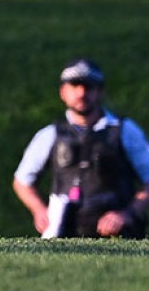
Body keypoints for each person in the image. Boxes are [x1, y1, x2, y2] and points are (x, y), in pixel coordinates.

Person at [12, 57, 149, 238]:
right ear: (63, 92)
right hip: (63, 235)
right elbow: (22, 182)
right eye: (74, 85)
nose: (81, 92)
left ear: (100, 91)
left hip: (117, 236)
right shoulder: (50, 134)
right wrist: (39, 210)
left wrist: (128, 214)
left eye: (89, 86)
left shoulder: (125, 130)